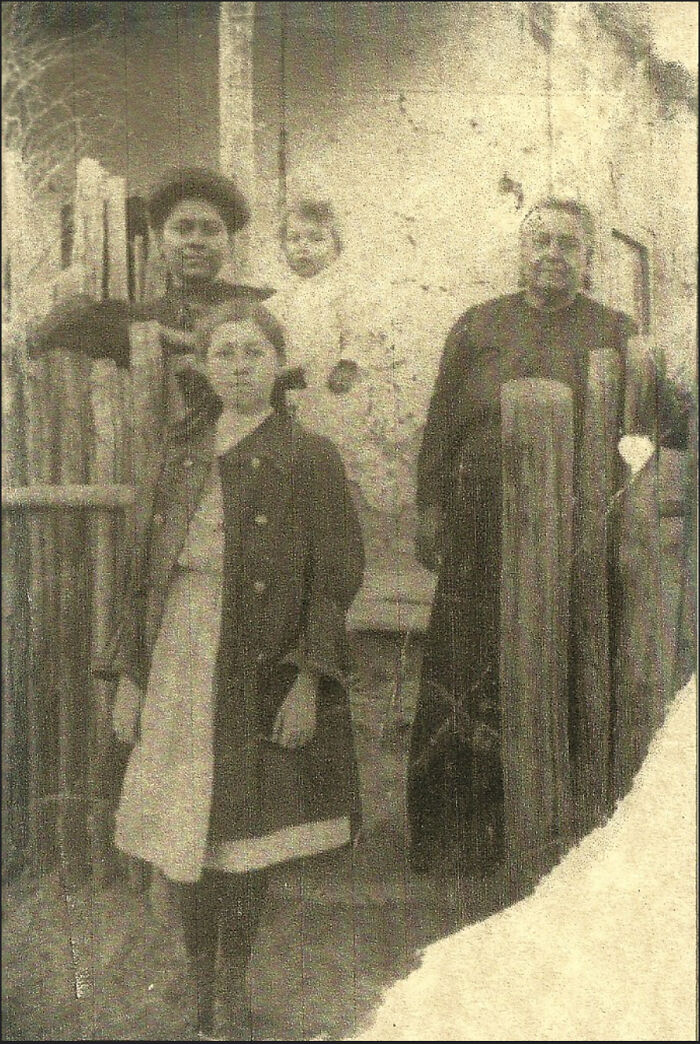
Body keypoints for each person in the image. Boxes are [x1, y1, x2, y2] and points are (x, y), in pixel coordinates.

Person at [95, 300, 364, 1040]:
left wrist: (309, 678)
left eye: (253, 353)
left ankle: (232, 984)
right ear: (204, 368)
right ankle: (195, 980)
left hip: (259, 662)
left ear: (278, 366)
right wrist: (129, 675)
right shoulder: (179, 451)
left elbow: (334, 576)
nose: (239, 368)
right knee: (184, 824)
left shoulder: (308, 456)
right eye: (225, 355)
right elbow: (139, 574)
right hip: (178, 651)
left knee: (243, 831)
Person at [407, 196, 689, 882]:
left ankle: (562, 828)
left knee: (561, 659)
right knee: (466, 661)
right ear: (521, 250)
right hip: (477, 530)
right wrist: (431, 510)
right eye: (540, 240)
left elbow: (653, 425)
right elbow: (442, 422)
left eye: (568, 243)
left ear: (589, 258)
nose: (552, 253)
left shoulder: (615, 331)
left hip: (572, 532)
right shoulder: (478, 326)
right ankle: (457, 839)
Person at [28, 167, 272, 367]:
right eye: (182, 229)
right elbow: (51, 335)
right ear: (159, 240)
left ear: (229, 241)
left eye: (210, 230)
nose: (196, 241)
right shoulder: (139, 316)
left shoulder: (261, 306)